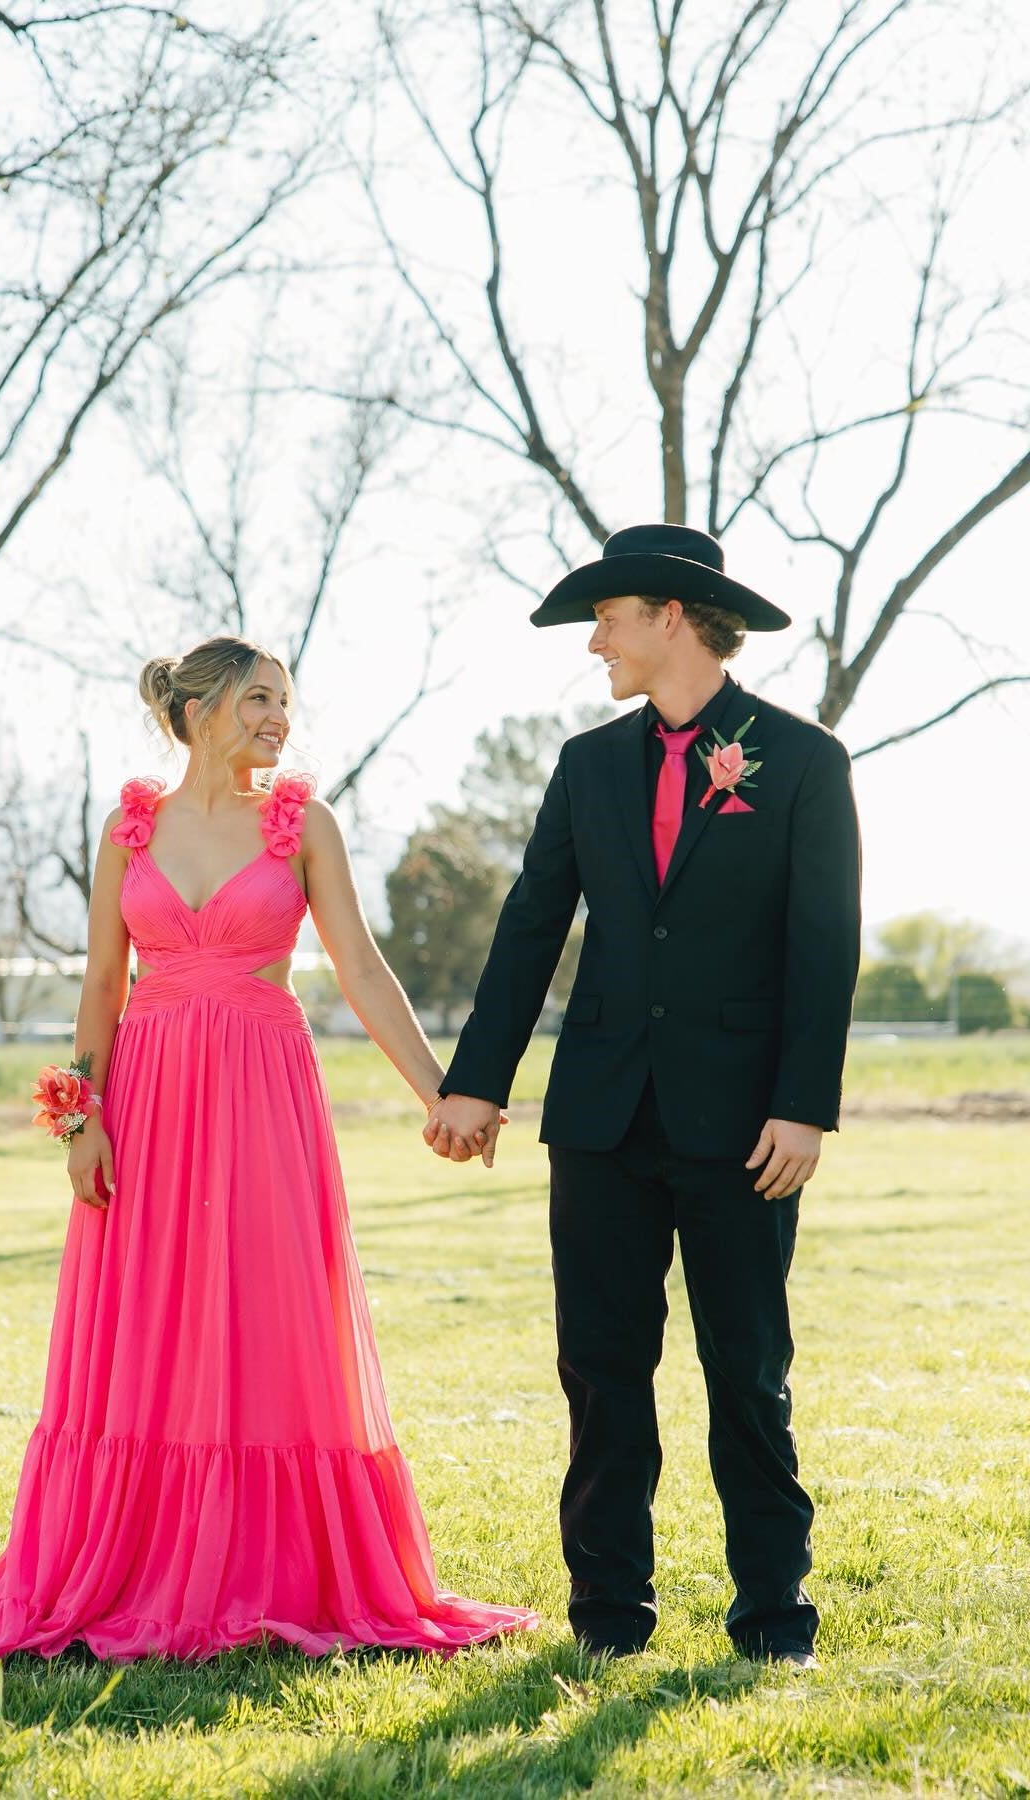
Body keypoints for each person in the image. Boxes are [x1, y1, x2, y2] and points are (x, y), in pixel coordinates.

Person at [0, 636, 534, 1661]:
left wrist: (446, 1093)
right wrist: (82, 1121)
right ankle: (132, 1557)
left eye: (284, 703)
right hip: (148, 1102)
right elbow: (101, 988)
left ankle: (271, 1563)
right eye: (256, 700)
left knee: (266, 1310)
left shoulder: (303, 826)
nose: (276, 720)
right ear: (196, 711)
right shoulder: (130, 829)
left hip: (260, 1096)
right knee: (150, 1320)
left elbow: (364, 971)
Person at [426, 524, 861, 1669]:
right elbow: (531, 929)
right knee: (602, 1374)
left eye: (606, 620)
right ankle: (608, 1621)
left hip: (748, 1130)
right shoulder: (588, 766)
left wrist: (804, 1104)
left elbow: (825, 948)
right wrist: (477, 1081)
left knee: (747, 1371)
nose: (595, 645)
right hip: (602, 1123)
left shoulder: (804, 760)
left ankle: (775, 1618)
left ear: (672, 614)